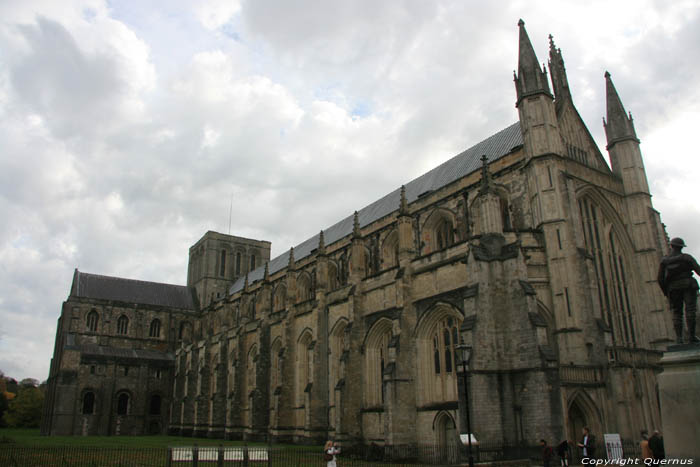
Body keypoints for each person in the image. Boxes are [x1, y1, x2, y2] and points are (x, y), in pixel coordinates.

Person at [657, 237, 700, 343]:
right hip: (688, 285)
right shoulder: (687, 258)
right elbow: (698, 270)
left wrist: (666, 292)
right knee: (690, 311)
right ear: (681, 247)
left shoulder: (664, 261)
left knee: (677, 313)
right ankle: (691, 337)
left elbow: (660, 279)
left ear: (671, 246)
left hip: (673, 289)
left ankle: (679, 339)